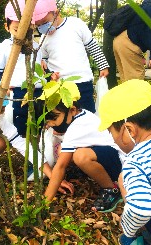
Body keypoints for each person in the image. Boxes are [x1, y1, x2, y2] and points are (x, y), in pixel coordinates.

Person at [0, 76, 72, 193]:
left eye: (1, 110)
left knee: (1, 141)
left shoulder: (0, 121)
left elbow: (24, 147)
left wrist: (53, 177)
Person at [98, 79, 151, 244]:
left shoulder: (135, 162)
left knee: (128, 238)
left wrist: (128, 231)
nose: (113, 140)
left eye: (111, 133)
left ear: (128, 129)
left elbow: (141, 209)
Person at [36, 82, 123, 212]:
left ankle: (112, 189)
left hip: (119, 162)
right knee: (63, 150)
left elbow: (60, 166)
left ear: (72, 109)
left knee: (80, 156)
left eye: (54, 118)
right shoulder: (81, 114)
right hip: (111, 154)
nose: (50, 124)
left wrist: (45, 203)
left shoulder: (76, 128)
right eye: (47, 120)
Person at [33, 0, 109, 114]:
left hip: (82, 81)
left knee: (87, 114)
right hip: (60, 86)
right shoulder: (44, 39)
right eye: (39, 26)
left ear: (56, 13)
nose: (43, 27)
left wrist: (103, 66)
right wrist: (49, 73)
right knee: (64, 116)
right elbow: (43, 60)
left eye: (45, 22)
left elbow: (92, 45)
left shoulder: (75, 24)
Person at [0, 0, 43, 136]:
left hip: (39, 90)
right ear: (7, 27)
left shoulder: (36, 46)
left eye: (26, 28)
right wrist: (3, 87)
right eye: (16, 29)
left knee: (39, 120)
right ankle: (21, 146)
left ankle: (36, 144)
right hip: (18, 91)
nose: (22, 33)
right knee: (20, 121)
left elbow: (41, 66)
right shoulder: (4, 46)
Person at [113, 0, 151, 82]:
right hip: (128, 43)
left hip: (120, 40)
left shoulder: (147, 4)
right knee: (136, 81)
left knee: (127, 81)